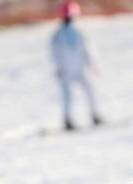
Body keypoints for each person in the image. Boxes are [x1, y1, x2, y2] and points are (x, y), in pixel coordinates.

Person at [50, 1, 102, 131]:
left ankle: (68, 120)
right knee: (90, 91)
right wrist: (93, 64)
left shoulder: (58, 34)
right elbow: (88, 49)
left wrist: (58, 66)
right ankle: (95, 116)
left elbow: (54, 53)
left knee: (68, 95)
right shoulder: (80, 32)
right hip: (79, 69)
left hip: (66, 70)